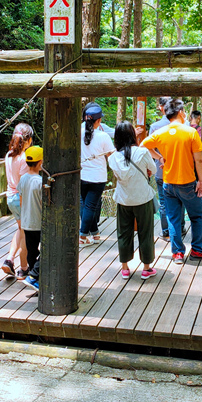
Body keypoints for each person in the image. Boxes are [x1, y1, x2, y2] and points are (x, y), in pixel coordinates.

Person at [141, 98, 202, 264]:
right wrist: (201, 181)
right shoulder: (190, 132)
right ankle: (197, 249)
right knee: (197, 216)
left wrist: (160, 157)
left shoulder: (161, 132)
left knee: (173, 218)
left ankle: (177, 253)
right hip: (188, 183)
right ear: (181, 113)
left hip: (168, 183)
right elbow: (198, 160)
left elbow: (143, 145)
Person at [108, 122, 158, 280]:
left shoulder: (113, 158)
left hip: (123, 199)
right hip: (143, 198)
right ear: (132, 135)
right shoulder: (142, 153)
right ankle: (146, 268)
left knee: (123, 233)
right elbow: (154, 170)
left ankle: (124, 268)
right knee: (146, 232)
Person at [80, 103, 115, 246]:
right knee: (90, 206)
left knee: (85, 204)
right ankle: (82, 236)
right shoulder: (103, 136)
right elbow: (111, 154)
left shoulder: (78, 133)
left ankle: (94, 232)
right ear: (99, 121)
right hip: (98, 177)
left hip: (82, 175)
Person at [2, 123, 33, 279]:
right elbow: (23, 183)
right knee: (25, 234)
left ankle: (9, 259)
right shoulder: (24, 159)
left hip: (10, 197)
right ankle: (23, 268)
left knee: (20, 229)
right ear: (27, 140)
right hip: (20, 198)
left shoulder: (9, 155)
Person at [19, 146, 44, 292]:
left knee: (32, 250)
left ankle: (34, 277)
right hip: (39, 222)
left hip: (27, 222)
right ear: (40, 162)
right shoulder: (39, 182)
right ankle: (34, 276)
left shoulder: (23, 179)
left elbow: (21, 200)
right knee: (47, 250)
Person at [150, 96, 174, 240]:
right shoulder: (184, 125)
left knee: (164, 202)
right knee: (179, 201)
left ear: (161, 107)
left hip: (160, 170)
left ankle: (166, 230)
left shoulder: (155, 126)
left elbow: (148, 148)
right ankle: (179, 227)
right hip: (179, 172)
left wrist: (159, 158)